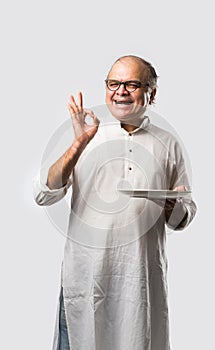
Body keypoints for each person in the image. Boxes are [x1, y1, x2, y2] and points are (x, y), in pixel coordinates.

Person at [33, 55, 197, 350]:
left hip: (139, 278)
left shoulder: (168, 143)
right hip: (86, 277)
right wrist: (77, 144)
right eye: (113, 83)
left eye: (131, 84)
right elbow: (44, 194)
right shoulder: (87, 134)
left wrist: (175, 207)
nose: (120, 90)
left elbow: (183, 215)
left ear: (152, 92)